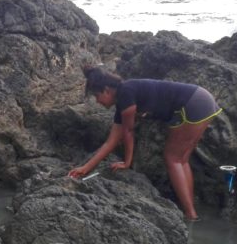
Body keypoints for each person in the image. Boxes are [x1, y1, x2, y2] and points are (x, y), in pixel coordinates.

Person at [68, 65, 222, 221]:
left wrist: (127, 162)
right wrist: (85, 168)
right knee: (181, 160)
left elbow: (128, 132)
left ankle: (190, 215)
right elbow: (111, 141)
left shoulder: (126, 94)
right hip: (201, 99)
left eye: (96, 96)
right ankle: (191, 212)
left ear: (107, 90)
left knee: (172, 158)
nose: (97, 101)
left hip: (194, 103)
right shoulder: (124, 99)